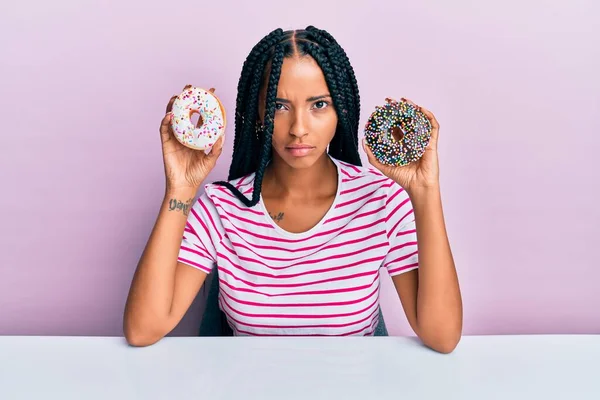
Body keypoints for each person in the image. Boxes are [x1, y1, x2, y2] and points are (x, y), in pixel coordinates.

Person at [123, 26, 462, 352]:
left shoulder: (380, 201)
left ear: (341, 111)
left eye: (319, 105)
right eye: (279, 106)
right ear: (258, 112)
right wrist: (180, 189)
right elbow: (142, 329)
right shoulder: (221, 208)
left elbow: (442, 336)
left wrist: (425, 190)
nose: (298, 128)